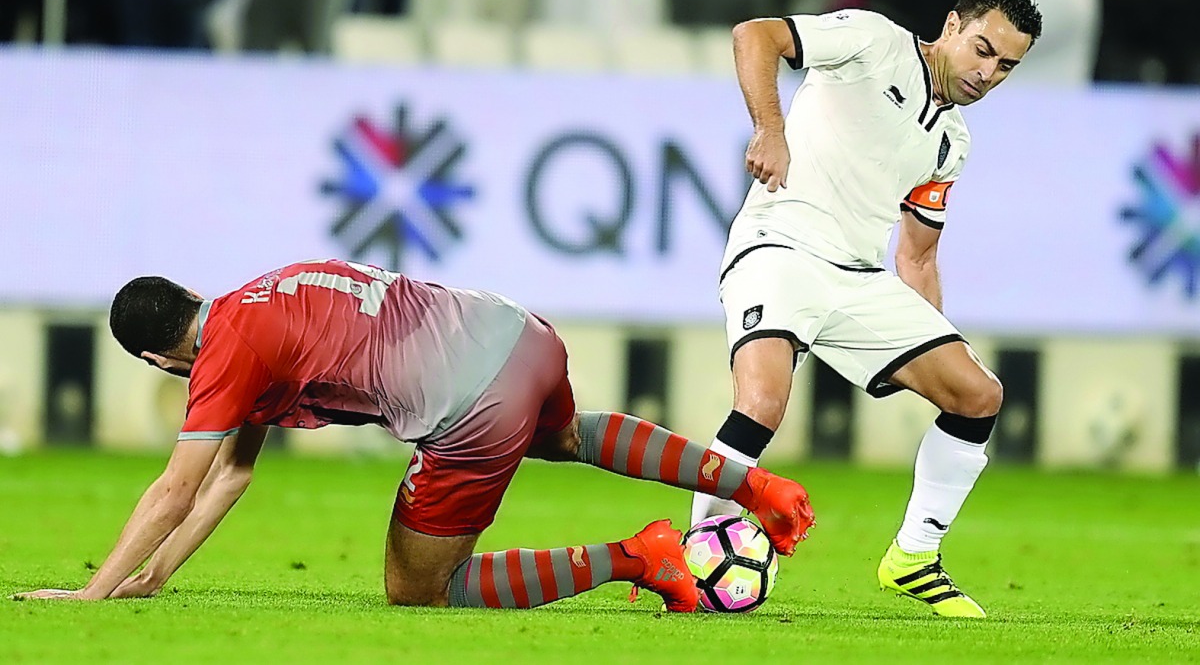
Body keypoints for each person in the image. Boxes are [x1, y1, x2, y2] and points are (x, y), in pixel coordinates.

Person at [14, 259, 814, 610]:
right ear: (194, 288)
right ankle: (753, 484)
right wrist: (154, 578)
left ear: (159, 358)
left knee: (420, 588)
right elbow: (230, 476)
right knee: (566, 436)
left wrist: (93, 590)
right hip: (520, 331)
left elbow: (179, 485)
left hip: (471, 403)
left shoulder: (222, 358)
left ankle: (640, 556)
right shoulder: (256, 299)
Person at [688, 0, 1042, 618]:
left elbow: (918, 257)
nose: (988, 74)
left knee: (977, 395)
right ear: (952, 24)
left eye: (1006, 66)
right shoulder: (874, 42)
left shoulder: (951, 142)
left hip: (856, 277)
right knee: (763, 403)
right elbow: (755, 33)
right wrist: (771, 130)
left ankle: (914, 556)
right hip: (780, 247)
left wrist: (932, 345)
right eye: (982, 50)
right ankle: (698, 560)